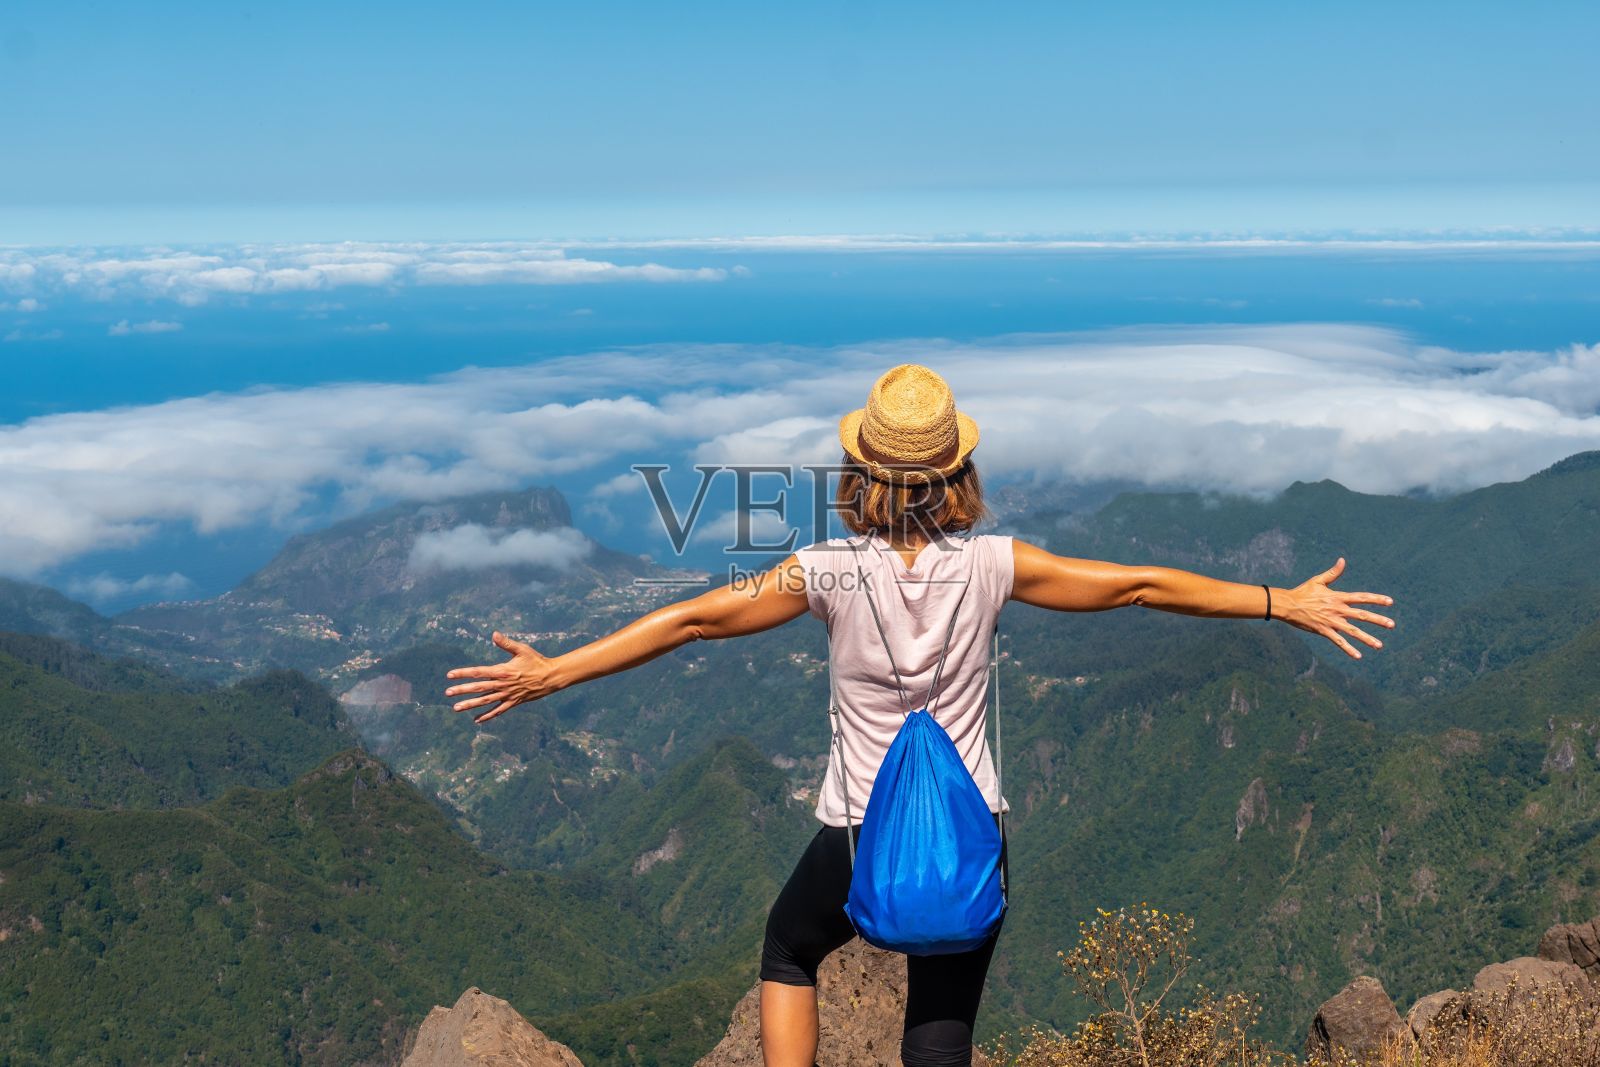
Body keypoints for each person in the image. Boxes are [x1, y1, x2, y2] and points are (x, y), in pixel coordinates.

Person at [443, 363, 1397, 1067]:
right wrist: (1281, 599)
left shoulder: (826, 571)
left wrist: (553, 672)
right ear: (956, 474)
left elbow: (693, 620)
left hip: (859, 836)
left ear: (863, 475)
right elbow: (1143, 586)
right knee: (940, 1030)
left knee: (790, 945)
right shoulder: (996, 565)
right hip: (971, 834)